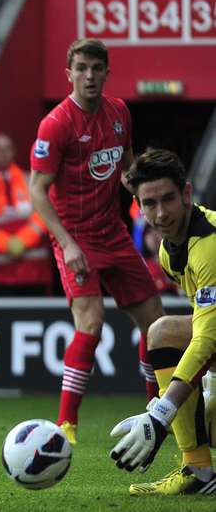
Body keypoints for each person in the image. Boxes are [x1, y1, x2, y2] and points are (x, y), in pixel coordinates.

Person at [29, 38, 164, 445]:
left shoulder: (119, 111)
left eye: (96, 69)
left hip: (114, 233)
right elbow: (37, 190)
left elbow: (125, 164)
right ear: (68, 74)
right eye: (82, 68)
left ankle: (156, 412)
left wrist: (140, 195)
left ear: (107, 72)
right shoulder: (55, 124)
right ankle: (67, 424)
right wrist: (67, 245)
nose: (89, 76)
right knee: (91, 323)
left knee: (156, 324)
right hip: (77, 237)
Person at [108, 149, 216, 495]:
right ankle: (198, 471)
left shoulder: (209, 246)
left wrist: (161, 413)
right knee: (162, 331)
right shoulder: (169, 251)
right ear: (138, 207)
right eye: (149, 204)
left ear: (186, 193)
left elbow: (207, 340)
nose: (160, 213)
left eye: (168, 199)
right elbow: (203, 325)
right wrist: (158, 407)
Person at [0, 132, 51, 296]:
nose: (3, 153)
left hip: (34, 271)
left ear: (14, 151)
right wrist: (5, 244)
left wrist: (23, 240)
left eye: (7, 148)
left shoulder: (30, 181)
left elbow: (43, 215)